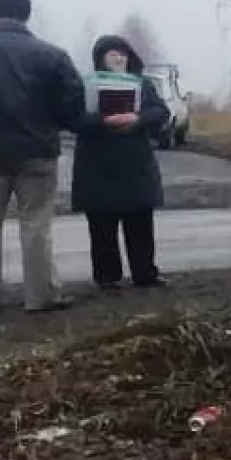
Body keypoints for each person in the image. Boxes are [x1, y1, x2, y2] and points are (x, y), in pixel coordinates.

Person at [0, 0, 84, 315]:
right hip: (37, 153)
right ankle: (40, 296)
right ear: (26, 16)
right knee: (36, 226)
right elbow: (72, 108)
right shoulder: (53, 56)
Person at [72, 34, 171, 290]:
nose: (119, 57)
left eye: (123, 53)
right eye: (112, 53)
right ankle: (107, 277)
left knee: (140, 222)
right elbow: (73, 119)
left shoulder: (143, 84)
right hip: (97, 164)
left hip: (134, 162)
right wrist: (103, 121)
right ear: (100, 58)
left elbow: (161, 111)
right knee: (102, 225)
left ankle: (145, 273)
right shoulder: (84, 85)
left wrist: (136, 118)